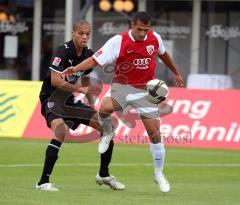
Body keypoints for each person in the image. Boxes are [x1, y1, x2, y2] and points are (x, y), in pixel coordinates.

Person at [63, 12, 184, 193]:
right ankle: (107, 133)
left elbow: (164, 54)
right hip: (123, 87)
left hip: (145, 91)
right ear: (131, 26)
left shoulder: (154, 38)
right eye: (139, 29)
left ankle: (158, 173)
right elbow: (95, 60)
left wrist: (176, 73)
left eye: (146, 29)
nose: (143, 33)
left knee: (155, 133)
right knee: (104, 108)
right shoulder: (118, 41)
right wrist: (75, 69)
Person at [36, 20, 124, 191]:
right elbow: (54, 80)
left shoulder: (88, 55)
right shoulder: (63, 50)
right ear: (73, 33)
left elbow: (84, 79)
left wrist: (90, 94)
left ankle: (103, 174)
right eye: (81, 33)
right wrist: (81, 89)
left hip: (69, 101)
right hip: (51, 98)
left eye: (88, 34)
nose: (85, 37)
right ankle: (43, 182)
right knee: (60, 130)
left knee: (107, 127)